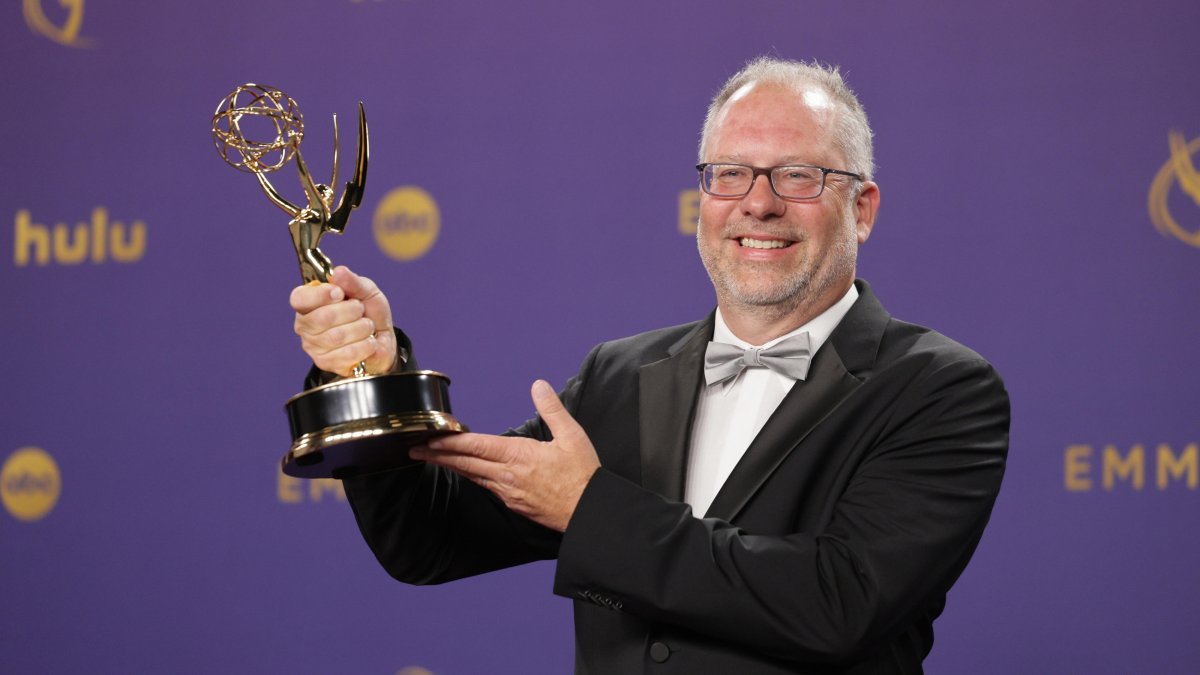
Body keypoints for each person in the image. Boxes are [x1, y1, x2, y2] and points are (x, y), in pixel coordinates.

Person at [289, 57, 1010, 674]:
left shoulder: (940, 388)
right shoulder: (622, 375)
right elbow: (428, 538)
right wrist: (368, 374)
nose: (758, 203)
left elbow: (837, 603)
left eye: (797, 175)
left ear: (863, 209)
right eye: (730, 173)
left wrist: (590, 509)